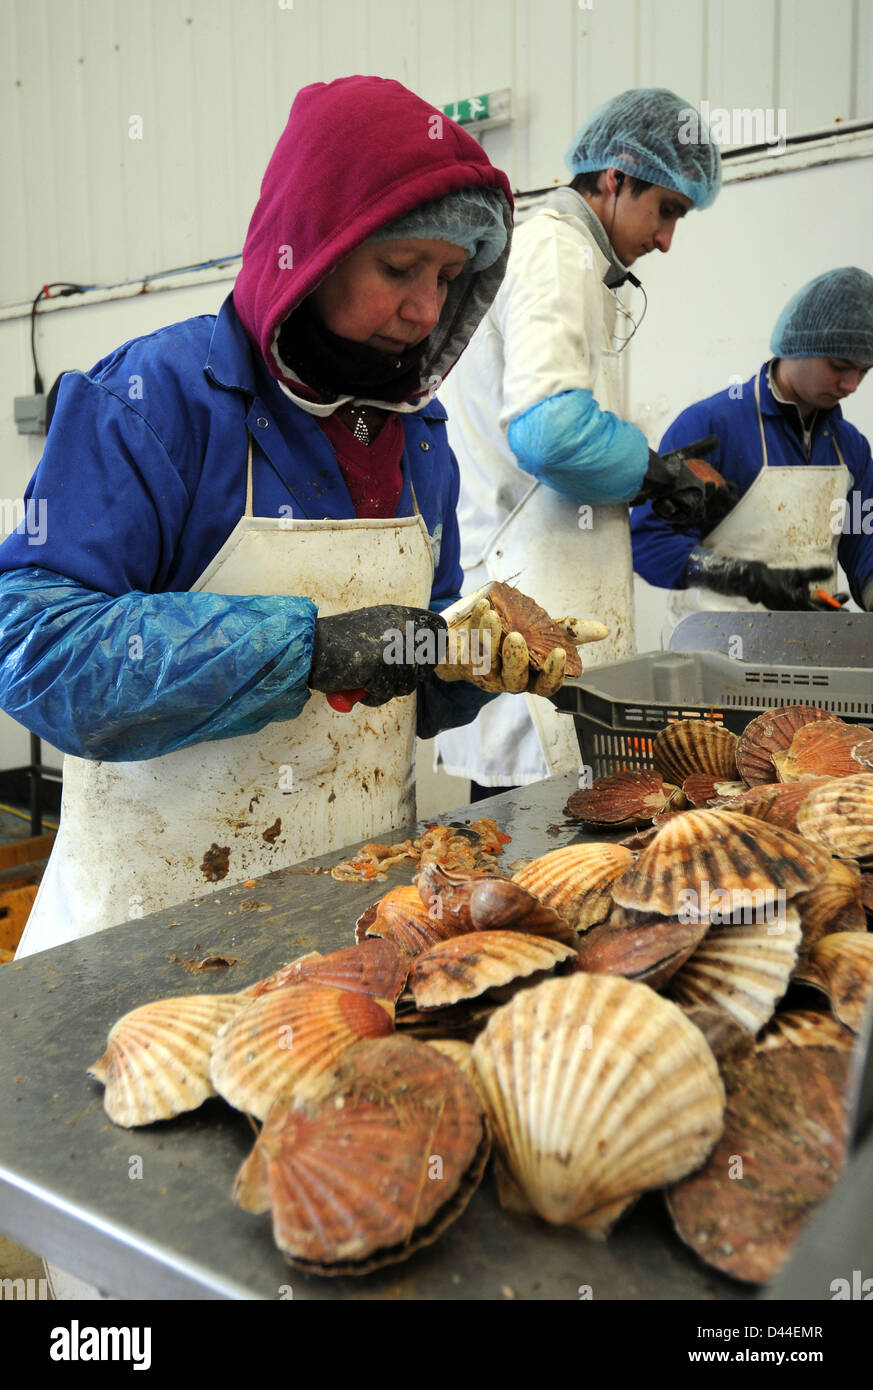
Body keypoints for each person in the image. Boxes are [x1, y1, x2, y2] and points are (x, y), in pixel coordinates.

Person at [0, 75, 532, 960]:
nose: (427, 309)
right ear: (312, 250)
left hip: (352, 929)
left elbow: (392, 694)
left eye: (448, 277)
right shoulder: (149, 402)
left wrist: (456, 662)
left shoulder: (420, 438)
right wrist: (305, 648)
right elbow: (35, 649)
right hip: (142, 936)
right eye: (399, 269)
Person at [434, 88, 729, 798]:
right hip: (528, 592)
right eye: (666, 211)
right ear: (613, 177)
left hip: (543, 583)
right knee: (534, 843)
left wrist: (651, 475)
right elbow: (550, 433)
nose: (665, 239)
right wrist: (658, 476)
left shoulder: (577, 262)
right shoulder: (554, 252)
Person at [631, 267, 873, 630]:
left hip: (813, 649)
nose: (851, 384)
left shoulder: (850, 447)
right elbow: (649, 540)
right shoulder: (712, 427)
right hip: (713, 657)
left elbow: (863, 544)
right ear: (797, 345)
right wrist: (740, 576)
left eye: (864, 371)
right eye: (839, 366)